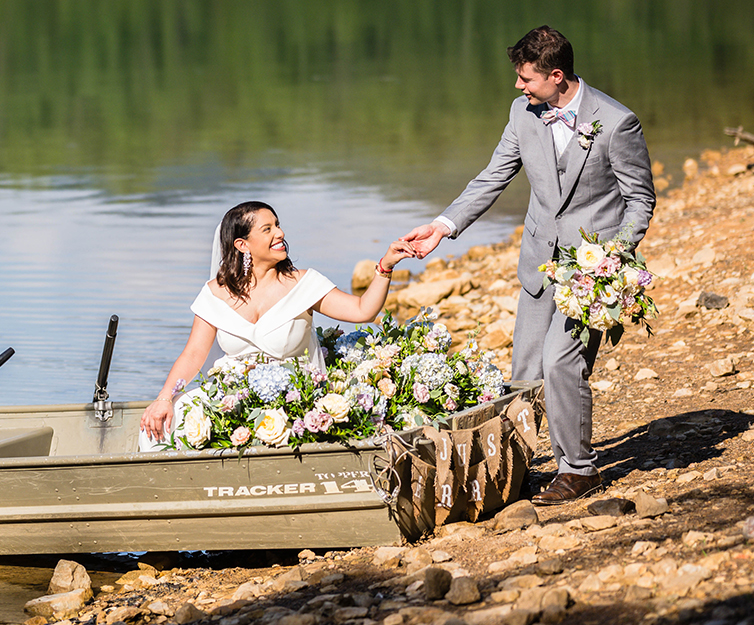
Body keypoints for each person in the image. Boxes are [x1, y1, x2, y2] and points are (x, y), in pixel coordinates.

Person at [400, 26, 655, 506]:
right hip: (540, 260)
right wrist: (442, 226)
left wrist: (613, 257)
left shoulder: (617, 123)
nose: (518, 87)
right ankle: (512, 471)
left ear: (556, 76)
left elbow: (640, 201)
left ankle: (578, 470)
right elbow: (495, 174)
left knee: (562, 362)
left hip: (591, 271)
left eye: (526, 78)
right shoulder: (523, 112)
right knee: (525, 371)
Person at [139, 200, 415, 448]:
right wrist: (164, 398)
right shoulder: (215, 293)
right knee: (159, 426)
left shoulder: (304, 284)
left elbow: (362, 311)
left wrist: (385, 266)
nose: (279, 233)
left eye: (278, 226)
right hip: (231, 398)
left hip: (295, 400)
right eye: (267, 229)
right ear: (242, 245)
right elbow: (193, 354)